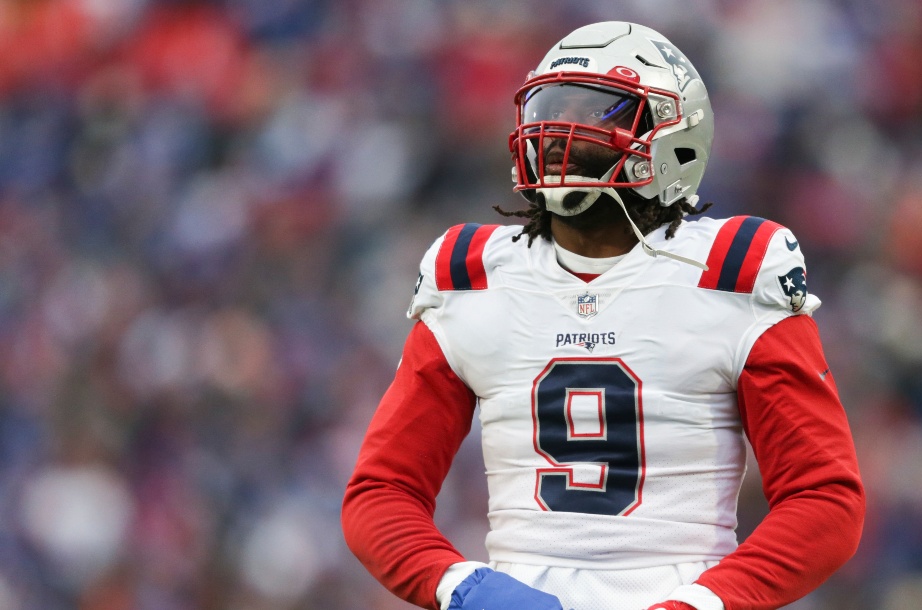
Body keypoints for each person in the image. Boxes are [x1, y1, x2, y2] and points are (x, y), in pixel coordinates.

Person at [342, 21, 865, 610]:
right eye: (550, 107)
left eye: (598, 113)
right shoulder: (473, 276)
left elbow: (824, 498)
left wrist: (703, 603)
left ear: (676, 138)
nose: (561, 131)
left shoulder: (733, 271)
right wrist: (461, 584)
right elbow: (381, 493)